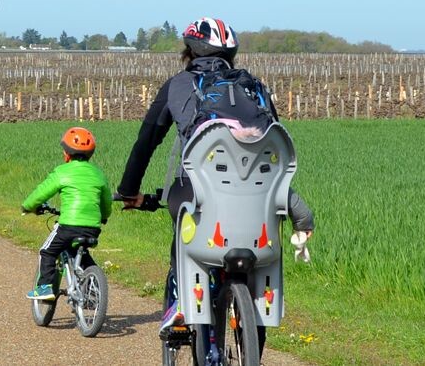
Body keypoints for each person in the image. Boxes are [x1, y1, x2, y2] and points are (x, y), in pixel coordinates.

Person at [114, 17, 315, 330]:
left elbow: (146, 143)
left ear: (190, 51)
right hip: (259, 198)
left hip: (196, 192)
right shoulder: (255, 88)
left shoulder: (178, 85)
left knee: (184, 223)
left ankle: (182, 300)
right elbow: (274, 146)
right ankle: (249, 314)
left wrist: (129, 191)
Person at [21, 127, 113, 300]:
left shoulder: (62, 171)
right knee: (82, 254)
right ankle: (93, 289)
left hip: (68, 226)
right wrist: (104, 216)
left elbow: (41, 193)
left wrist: (28, 206)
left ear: (66, 153)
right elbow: (106, 202)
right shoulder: (98, 174)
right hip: (92, 227)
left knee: (47, 251)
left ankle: (45, 288)